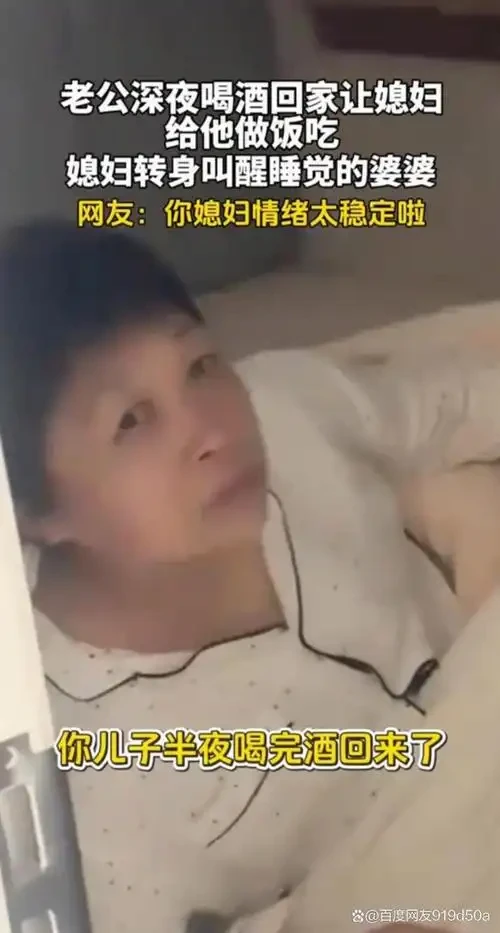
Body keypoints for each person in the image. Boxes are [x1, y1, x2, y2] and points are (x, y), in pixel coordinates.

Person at [1, 219, 500, 933]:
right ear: (35, 514)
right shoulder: (91, 784)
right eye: (132, 421)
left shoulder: (287, 412)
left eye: (201, 365)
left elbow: (455, 401)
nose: (211, 430)